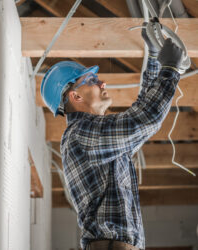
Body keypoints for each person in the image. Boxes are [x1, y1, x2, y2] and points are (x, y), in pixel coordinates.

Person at [41, 24, 184, 250]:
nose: (102, 83)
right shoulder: (82, 134)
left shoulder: (93, 136)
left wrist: (155, 58)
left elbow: (141, 113)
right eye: (91, 80)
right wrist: (170, 70)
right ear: (75, 96)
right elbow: (145, 119)